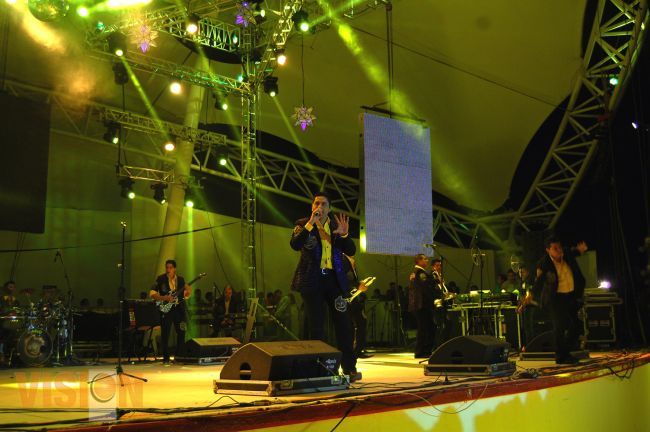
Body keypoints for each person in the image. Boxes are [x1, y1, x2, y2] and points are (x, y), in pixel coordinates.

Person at [290, 191, 359, 381]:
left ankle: (349, 367)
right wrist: (310, 223)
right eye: (316, 203)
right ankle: (316, 368)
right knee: (316, 327)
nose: (319, 207)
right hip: (312, 280)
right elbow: (295, 244)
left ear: (329, 208)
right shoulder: (302, 224)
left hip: (333, 281)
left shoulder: (336, 226)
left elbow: (351, 251)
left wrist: (344, 236)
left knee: (344, 324)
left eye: (323, 204)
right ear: (312, 206)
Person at [524, 235, 587, 364]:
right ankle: (561, 356)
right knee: (560, 326)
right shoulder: (544, 263)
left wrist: (580, 249)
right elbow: (539, 282)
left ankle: (565, 352)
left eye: (559, 247)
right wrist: (530, 295)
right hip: (556, 298)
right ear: (548, 250)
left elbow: (574, 251)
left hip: (571, 295)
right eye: (555, 248)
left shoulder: (567, 254)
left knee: (577, 325)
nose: (559, 250)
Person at [149, 259, 192, 364]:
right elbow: (152, 293)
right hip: (166, 309)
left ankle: (179, 355)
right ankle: (166, 357)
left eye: (170, 267)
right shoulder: (160, 279)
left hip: (179, 309)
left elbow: (186, 293)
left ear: (175, 269)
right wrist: (164, 298)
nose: (168, 270)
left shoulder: (181, 280)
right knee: (165, 333)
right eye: (167, 267)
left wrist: (188, 292)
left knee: (181, 332)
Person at [343, 254, 371, 359]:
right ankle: (354, 351)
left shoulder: (353, 270)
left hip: (355, 301)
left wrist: (360, 285)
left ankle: (358, 350)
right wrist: (358, 285)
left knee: (361, 324)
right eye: (351, 257)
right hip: (349, 301)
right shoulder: (345, 269)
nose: (353, 259)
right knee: (351, 327)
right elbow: (347, 283)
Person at [408, 254, 436, 358]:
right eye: (425, 259)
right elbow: (425, 288)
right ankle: (421, 351)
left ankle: (424, 351)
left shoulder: (417, 272)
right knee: (425, 328)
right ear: (419, 261)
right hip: (421, 305)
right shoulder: (420, 272)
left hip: (420, 304)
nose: (427, 261)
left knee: (426, 328)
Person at [431, 259, 450, 348]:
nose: (439, 267)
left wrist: (448, 294)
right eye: (437, 265)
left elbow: (442, 288)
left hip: (443, 302)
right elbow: (434, 289)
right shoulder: (433, 276)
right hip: (437, 303)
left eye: (440, 265)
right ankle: (437, 345)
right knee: (439, 325)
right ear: (433, 267)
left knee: (445, 324)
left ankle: (443, 343)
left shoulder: (440, 276)